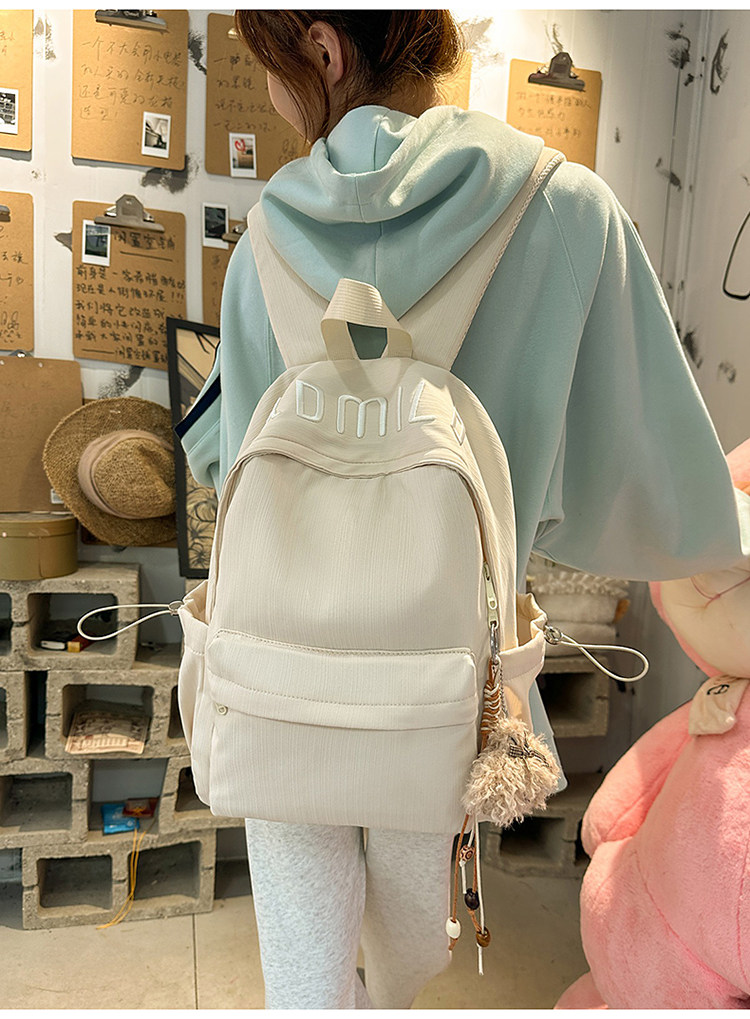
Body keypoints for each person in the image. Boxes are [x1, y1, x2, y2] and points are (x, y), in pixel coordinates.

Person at [176, 11, 749, 1010]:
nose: (268, 91)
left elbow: (227, 462)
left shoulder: (266, 236)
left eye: (268, 64)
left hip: (276, 661)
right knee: (411, 942)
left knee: (304, 968)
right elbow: (653, 473)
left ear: (323, 51)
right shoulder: (567, 207)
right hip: (449, 674)